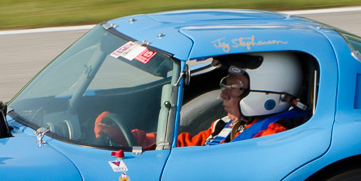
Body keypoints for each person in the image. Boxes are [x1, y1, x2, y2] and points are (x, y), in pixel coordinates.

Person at [95, 52, 306, 149]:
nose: (223, 94)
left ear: (266, 93)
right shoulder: (226, 125)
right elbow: (185, 146)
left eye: (234, 88)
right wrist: (134, 140)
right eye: (226, 85)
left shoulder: (272, 140)